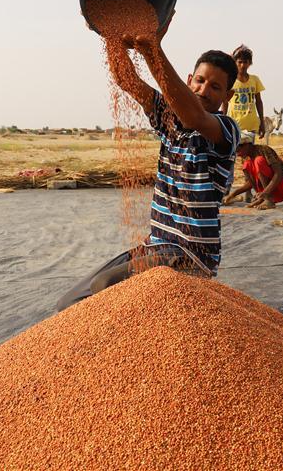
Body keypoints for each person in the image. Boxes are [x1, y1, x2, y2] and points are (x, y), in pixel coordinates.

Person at [56, 19, 240, 312]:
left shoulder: (224, 130)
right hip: (157, 244)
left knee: (106, 288)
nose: (204, 90)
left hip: (191, 254)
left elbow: (193, 117)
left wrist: (153, 49)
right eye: (200, 81)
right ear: (189, 79)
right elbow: (126, 80)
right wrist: (111, 33)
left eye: (216, 87)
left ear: (227, 97)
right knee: (71, 303)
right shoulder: (169, 120)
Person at [223, 131, 283, 210]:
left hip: (281, 187)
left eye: (238, 149)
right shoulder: (247, 158)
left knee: (258, 161)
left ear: (247, 145)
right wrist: (233, 194)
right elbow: (251, 182)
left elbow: (279, 174)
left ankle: (268, 199)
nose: (237, 154)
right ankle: (262, 199)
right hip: (266, 192)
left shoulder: (264, 150)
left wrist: (265, 193)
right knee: (247, 164)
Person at [221, 45, 265, 138]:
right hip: (234, 124)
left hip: (251, 125)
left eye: (245, 62)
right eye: (240, 62)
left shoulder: (255, 80)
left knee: (249, 151)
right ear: (235, 63)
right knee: (235, 151)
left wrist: (262, 122)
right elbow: (225, 102)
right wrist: (223, 122)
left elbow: (259, 102)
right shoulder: (230, 80)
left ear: (250, 63)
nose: (242, 65)